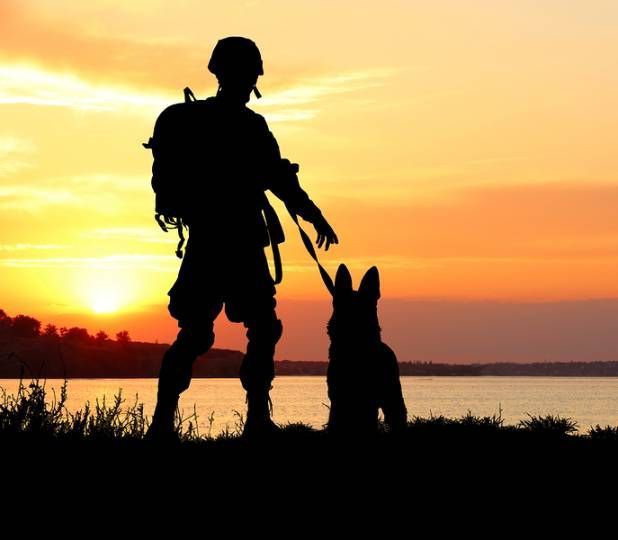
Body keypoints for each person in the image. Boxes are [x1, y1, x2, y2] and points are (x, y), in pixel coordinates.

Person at [146, 36, 338, 439]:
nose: (250, 80)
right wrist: (313, 215)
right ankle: (247, 421)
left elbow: (279, 179)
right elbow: (281, 180)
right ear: (250, 76)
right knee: (248, 330)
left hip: (211, 242)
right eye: (250, 72)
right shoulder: (250, 126)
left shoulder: (197, 122)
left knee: (205, 334)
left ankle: (170, 423)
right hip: (235, 243)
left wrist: (312, 214)